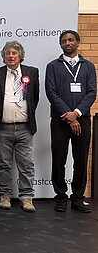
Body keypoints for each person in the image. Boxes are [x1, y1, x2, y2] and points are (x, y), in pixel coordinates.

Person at [0, 41, 39, 212]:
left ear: (20, 56)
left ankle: (27, 198)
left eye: (14, 53)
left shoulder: (32, 72)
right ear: (3, 57)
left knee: (26, 165)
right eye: (8, 53)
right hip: (3, 128)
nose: (11, 56)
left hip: (25, 128)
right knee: (3, 164)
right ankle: (5, 196)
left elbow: (34, 99)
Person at [45, 30, 96, 213]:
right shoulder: (53, 66)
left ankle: (78, 198)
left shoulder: (88, 66)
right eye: (64, 41)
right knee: (59, 159)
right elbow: (51, 92)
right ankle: (60, 197)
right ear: (60, 45)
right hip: (59, 120)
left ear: (78, 42)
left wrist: (76, 113)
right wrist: (68, 114)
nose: (67, 43)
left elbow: (92, 93)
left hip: (82, 119)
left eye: (71, 40)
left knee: (80, 160)